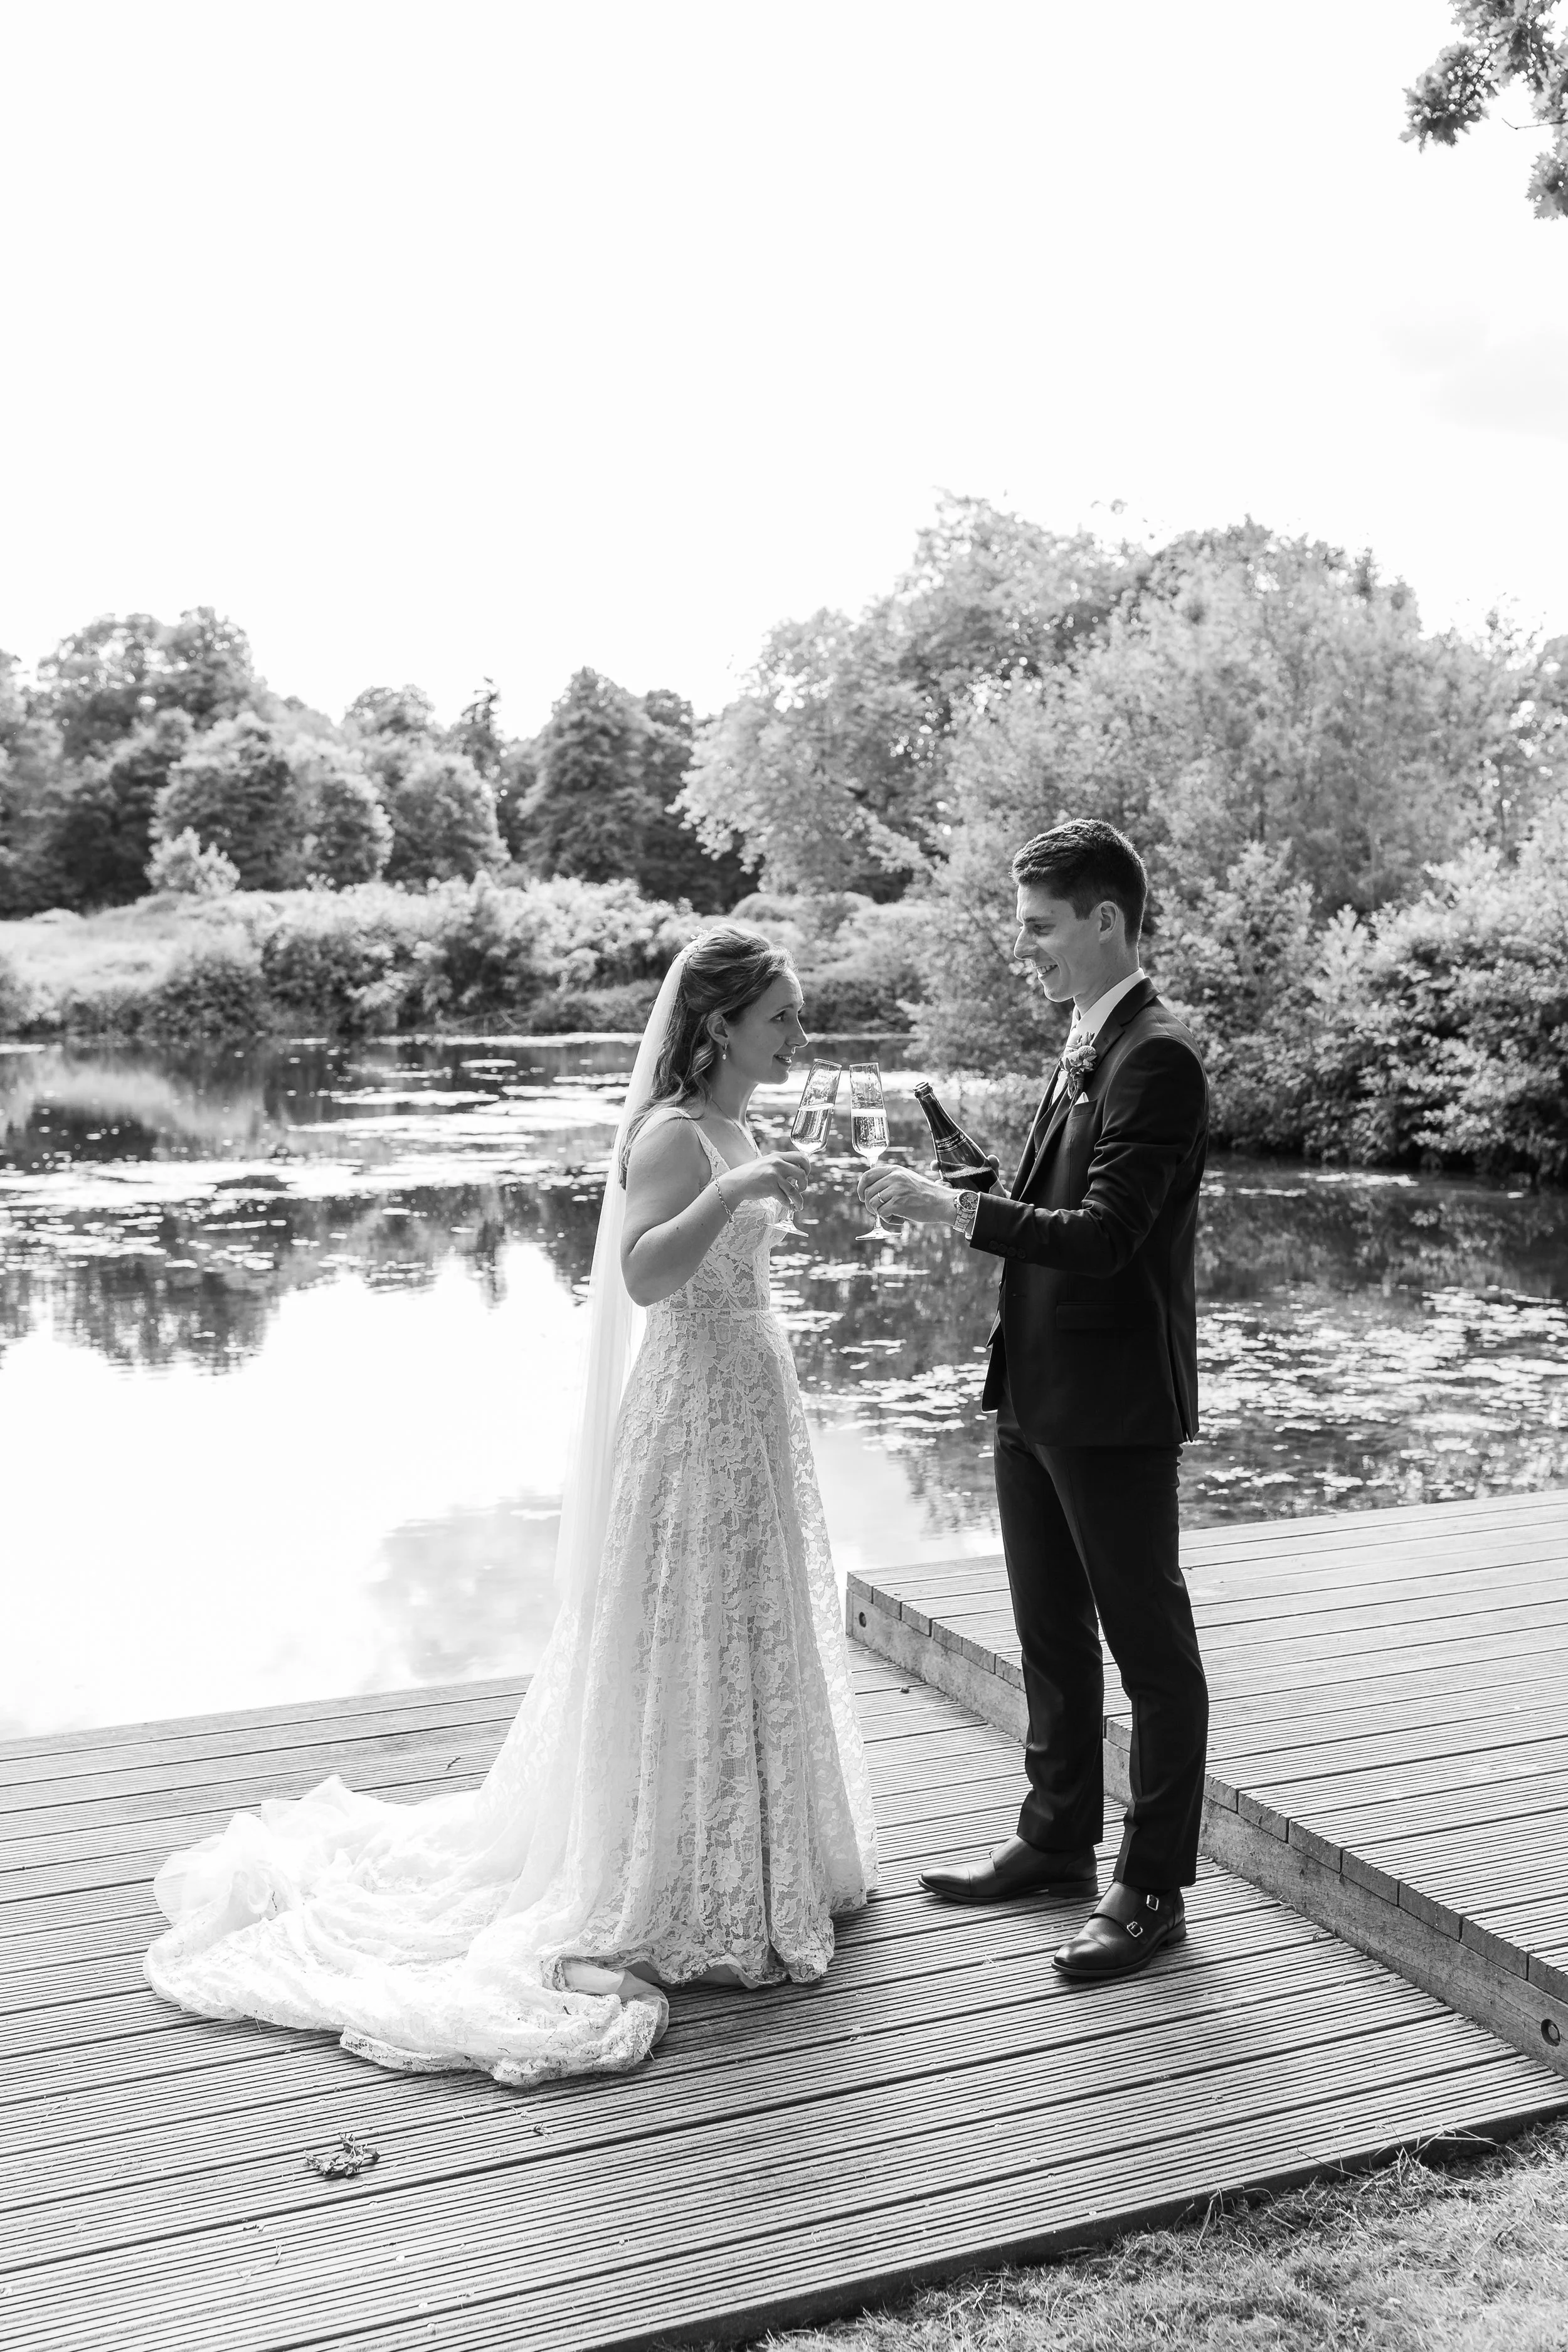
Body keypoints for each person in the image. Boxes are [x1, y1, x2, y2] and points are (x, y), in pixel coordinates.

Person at [144, 929, 879, 2083]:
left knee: (753, 1612)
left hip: (754, 1396)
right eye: (784, 1015)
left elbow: (748, 1253)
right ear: (722, 1024)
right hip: (688, 1406)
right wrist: (738, 1188)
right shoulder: (676, 1135)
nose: (801, 1034)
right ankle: (667, 1858)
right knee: (681, 1618)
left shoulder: (748, 1124)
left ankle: (760, 1836)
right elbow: (641, 1278)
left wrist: (801, 1193)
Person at [860, 818, 1209, 1983]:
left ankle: (1150, 1886)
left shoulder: (1156, 1055)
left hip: (1112, 1399)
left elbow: (1109, 1237)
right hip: (1036, 1383)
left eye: (1041, 928)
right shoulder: (1086, 1039)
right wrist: (983, 1185)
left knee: (1150, 1652)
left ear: (1106, 921)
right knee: (1048, 1634)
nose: (1029, 952)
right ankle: (1057, 1839)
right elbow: (1061, 1208)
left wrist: (958, 1214)